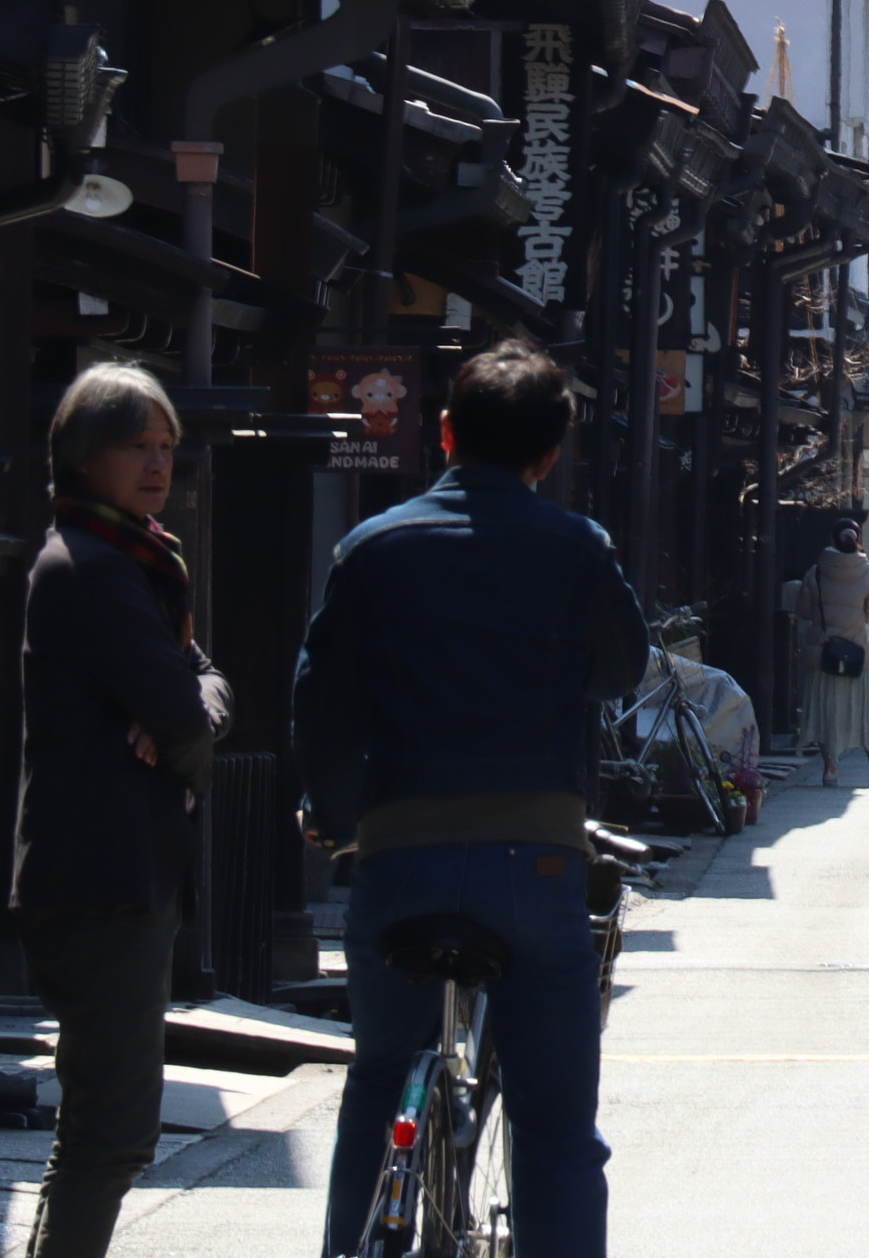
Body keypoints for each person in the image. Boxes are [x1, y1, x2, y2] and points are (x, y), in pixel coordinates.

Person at [293, 342, 653, 1258]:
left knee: (379, 1077)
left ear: (446, 432)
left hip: (399, 852)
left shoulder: (372, 548)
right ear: (550, 454)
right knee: (555, 1124)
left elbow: (322, 701)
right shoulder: (576, 548)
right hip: (534, 859)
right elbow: (623, 668)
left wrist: (335, 816)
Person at [13, 364, 231, 1258]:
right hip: (103, 878)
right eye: (137, 446)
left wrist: (192, 709)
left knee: (102, 1131)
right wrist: (189, 718)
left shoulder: (133, 558)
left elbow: (204, 684)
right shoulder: (94, 566)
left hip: (116, 874)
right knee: (110, 1133)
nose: (157, 465)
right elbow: (184, 712)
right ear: (82, 455)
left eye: (167, 446)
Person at [801, 524, 869, 787]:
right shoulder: (866, 572)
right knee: (864, 713)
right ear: (858, 540)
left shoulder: (816, 572)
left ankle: (830, 769)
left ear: (831, 539)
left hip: (823, 654)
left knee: (825, 712)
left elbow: (804, 611)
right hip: (854, 655)